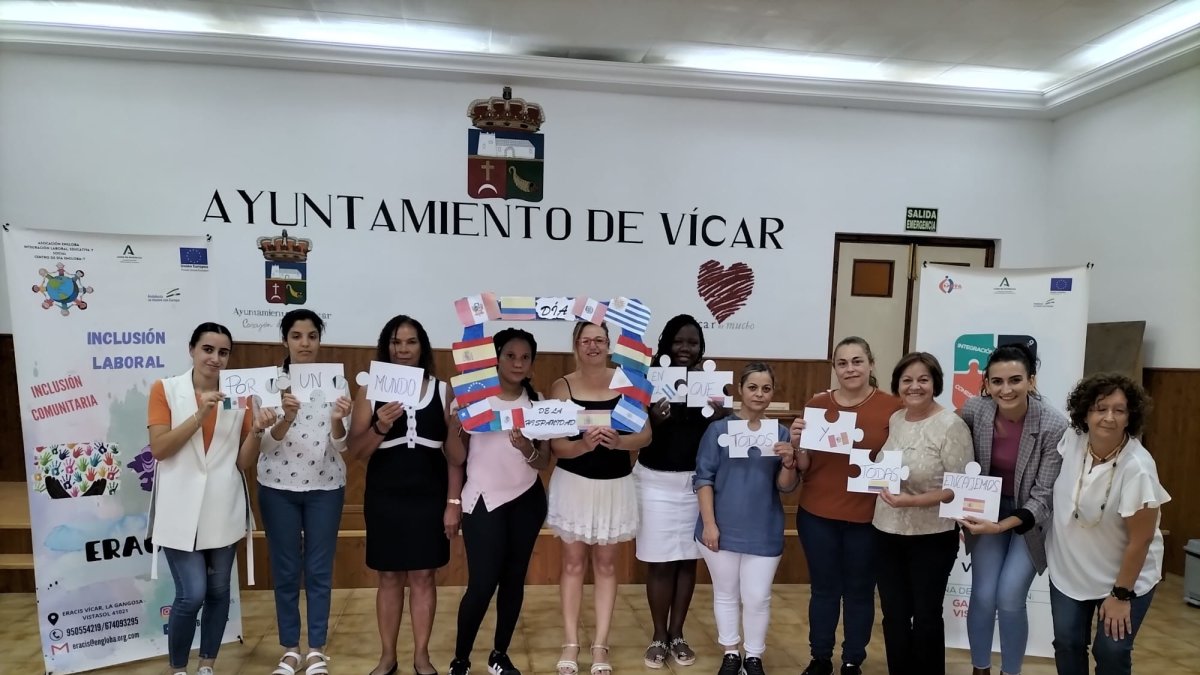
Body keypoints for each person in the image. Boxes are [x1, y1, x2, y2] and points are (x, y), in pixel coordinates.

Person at [147, 322, 274, 675]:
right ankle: (178, 668)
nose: (215, 358)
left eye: (223, 352)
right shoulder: (166, 390)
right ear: (192, 350)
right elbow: (160, 449)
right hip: (178, 511)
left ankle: (206, 665)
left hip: (223, 508)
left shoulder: (241, 394)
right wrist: (199, 415)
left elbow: (242, 462)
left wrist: (258, 431)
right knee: (192, 594)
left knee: (218, 592)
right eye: (208, 349)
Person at [348, 315, 465, 675]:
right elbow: (356, 450)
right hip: (385, 496)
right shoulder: (371, 390)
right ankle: (387, 655)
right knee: (388, 578)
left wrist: (453, 502)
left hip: (430, 497)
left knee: (424, 577)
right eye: (396, 342)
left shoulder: (444, 390)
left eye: (411, 342)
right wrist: (381, 425)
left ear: (422, 347)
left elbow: (456, 458)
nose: (403, 349)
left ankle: (421, 656)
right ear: (387, 347)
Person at [1046, 373, 1170, 675]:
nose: (1109, 418)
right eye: (1100, 408)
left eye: (1119, 410)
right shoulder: (1073, 439)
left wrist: (1120, 596)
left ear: (1131, 417)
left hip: (1124, 577)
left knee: (1111, 650)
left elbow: (1140, 540)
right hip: (1069, 571)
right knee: (1067, 643)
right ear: (1085, 413)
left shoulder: (1137, 468)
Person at [957, 343, 1068, 675]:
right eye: (997, 381)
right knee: (983, 594)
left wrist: (1001, 526)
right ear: (987, 384)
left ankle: (1011, 671)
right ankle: (980, 669)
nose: (1006, 389)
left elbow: (1044, 496)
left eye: (1015, 380)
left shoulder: (1052, 424)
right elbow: (945, 440)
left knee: (1008, 597)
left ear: (1031, 381)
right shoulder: (974, 410)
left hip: (1027, 519)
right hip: (985, 510)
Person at [548, 321, 651, 675]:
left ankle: (600, 645)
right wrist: (583, 444)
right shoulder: (562, 387)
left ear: (609, 345)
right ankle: (570, 642)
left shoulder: (629, 383)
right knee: (573, 564)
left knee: (606, 566)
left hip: (614, 484)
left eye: (599, 340)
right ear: (575, 345)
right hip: (574, 484)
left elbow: (646, 435)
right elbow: (557, 447)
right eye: (585, 340)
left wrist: (619, 442)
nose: (592, 346)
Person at [253, 309, 353, 675]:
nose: (305, 343)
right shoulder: (269, 385)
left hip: (326, 487)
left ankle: (316, 649)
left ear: (319, 340)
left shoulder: (335, 384)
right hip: (277, 488)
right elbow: (263, 447)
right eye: (297, 336)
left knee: (318, 570)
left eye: (312, 336)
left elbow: (343, 447)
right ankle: (290, 648)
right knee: (285, 569)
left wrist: (338, 420)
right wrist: (287, 417)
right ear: (285, 341)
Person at [795, 337, 901, 675]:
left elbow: (901, 460)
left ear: (870, 364)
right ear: (834, 369)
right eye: (842, 363)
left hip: (869, 517)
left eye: (857, 361)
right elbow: (804, 465)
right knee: (824, 590)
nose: (850, 368)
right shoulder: (816, 404)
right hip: (817, 515)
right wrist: (797, 444)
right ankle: (820, 657)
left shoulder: (893, 407)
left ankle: (853, 659)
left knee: (859, 592)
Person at [447, 328, 550, 675]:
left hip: (527, 501)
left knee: (513, 581)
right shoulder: (473, 401)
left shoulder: (538, 405)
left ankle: (498, 655)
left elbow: (542, 461)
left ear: (532, 363)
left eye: (525, 357)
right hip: (483, 502)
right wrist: (455, 425)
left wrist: (526, 447)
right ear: (497, 358)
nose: (518, 363)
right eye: (510, 356)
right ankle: (460, 660)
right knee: (481, 584)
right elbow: (455, 455)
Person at [695, 362, 800, 675]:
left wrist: (789, 461)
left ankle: (753, 656)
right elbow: (703, 479)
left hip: (763, 530)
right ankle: (731, 653)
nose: (759, 394)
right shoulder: (717, 430)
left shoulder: (780, 433)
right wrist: (710, 525)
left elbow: (786, 486)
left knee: (757, 597)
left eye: (766, 388)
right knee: (725, 593)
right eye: (753, 387)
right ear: (740, 390)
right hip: (720, 529)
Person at [872, 352, 973, 675]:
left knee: (926, 615)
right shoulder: (897, 418)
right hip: (886, 531)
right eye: (907, 380)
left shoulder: (951, 425)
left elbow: (960, 487)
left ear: (936, 384)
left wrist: (911, 502)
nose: (915, 386)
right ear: (897, 385)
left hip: (931, 536)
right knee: (894, 615)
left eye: (923, 380)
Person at [635, 315, 722, 669]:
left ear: (702, 349)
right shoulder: (649, 380)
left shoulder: (711, 383)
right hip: (654, 481)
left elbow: (722, 433)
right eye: (679, 341)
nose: (686, 349)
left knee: (688, 560)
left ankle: (678, 633)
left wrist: (720, 413)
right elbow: (631, 430)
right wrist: (652, 418)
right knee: (659, 561)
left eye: (693, 343)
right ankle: (658, 635)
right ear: (666, 344)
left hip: (695, 485)